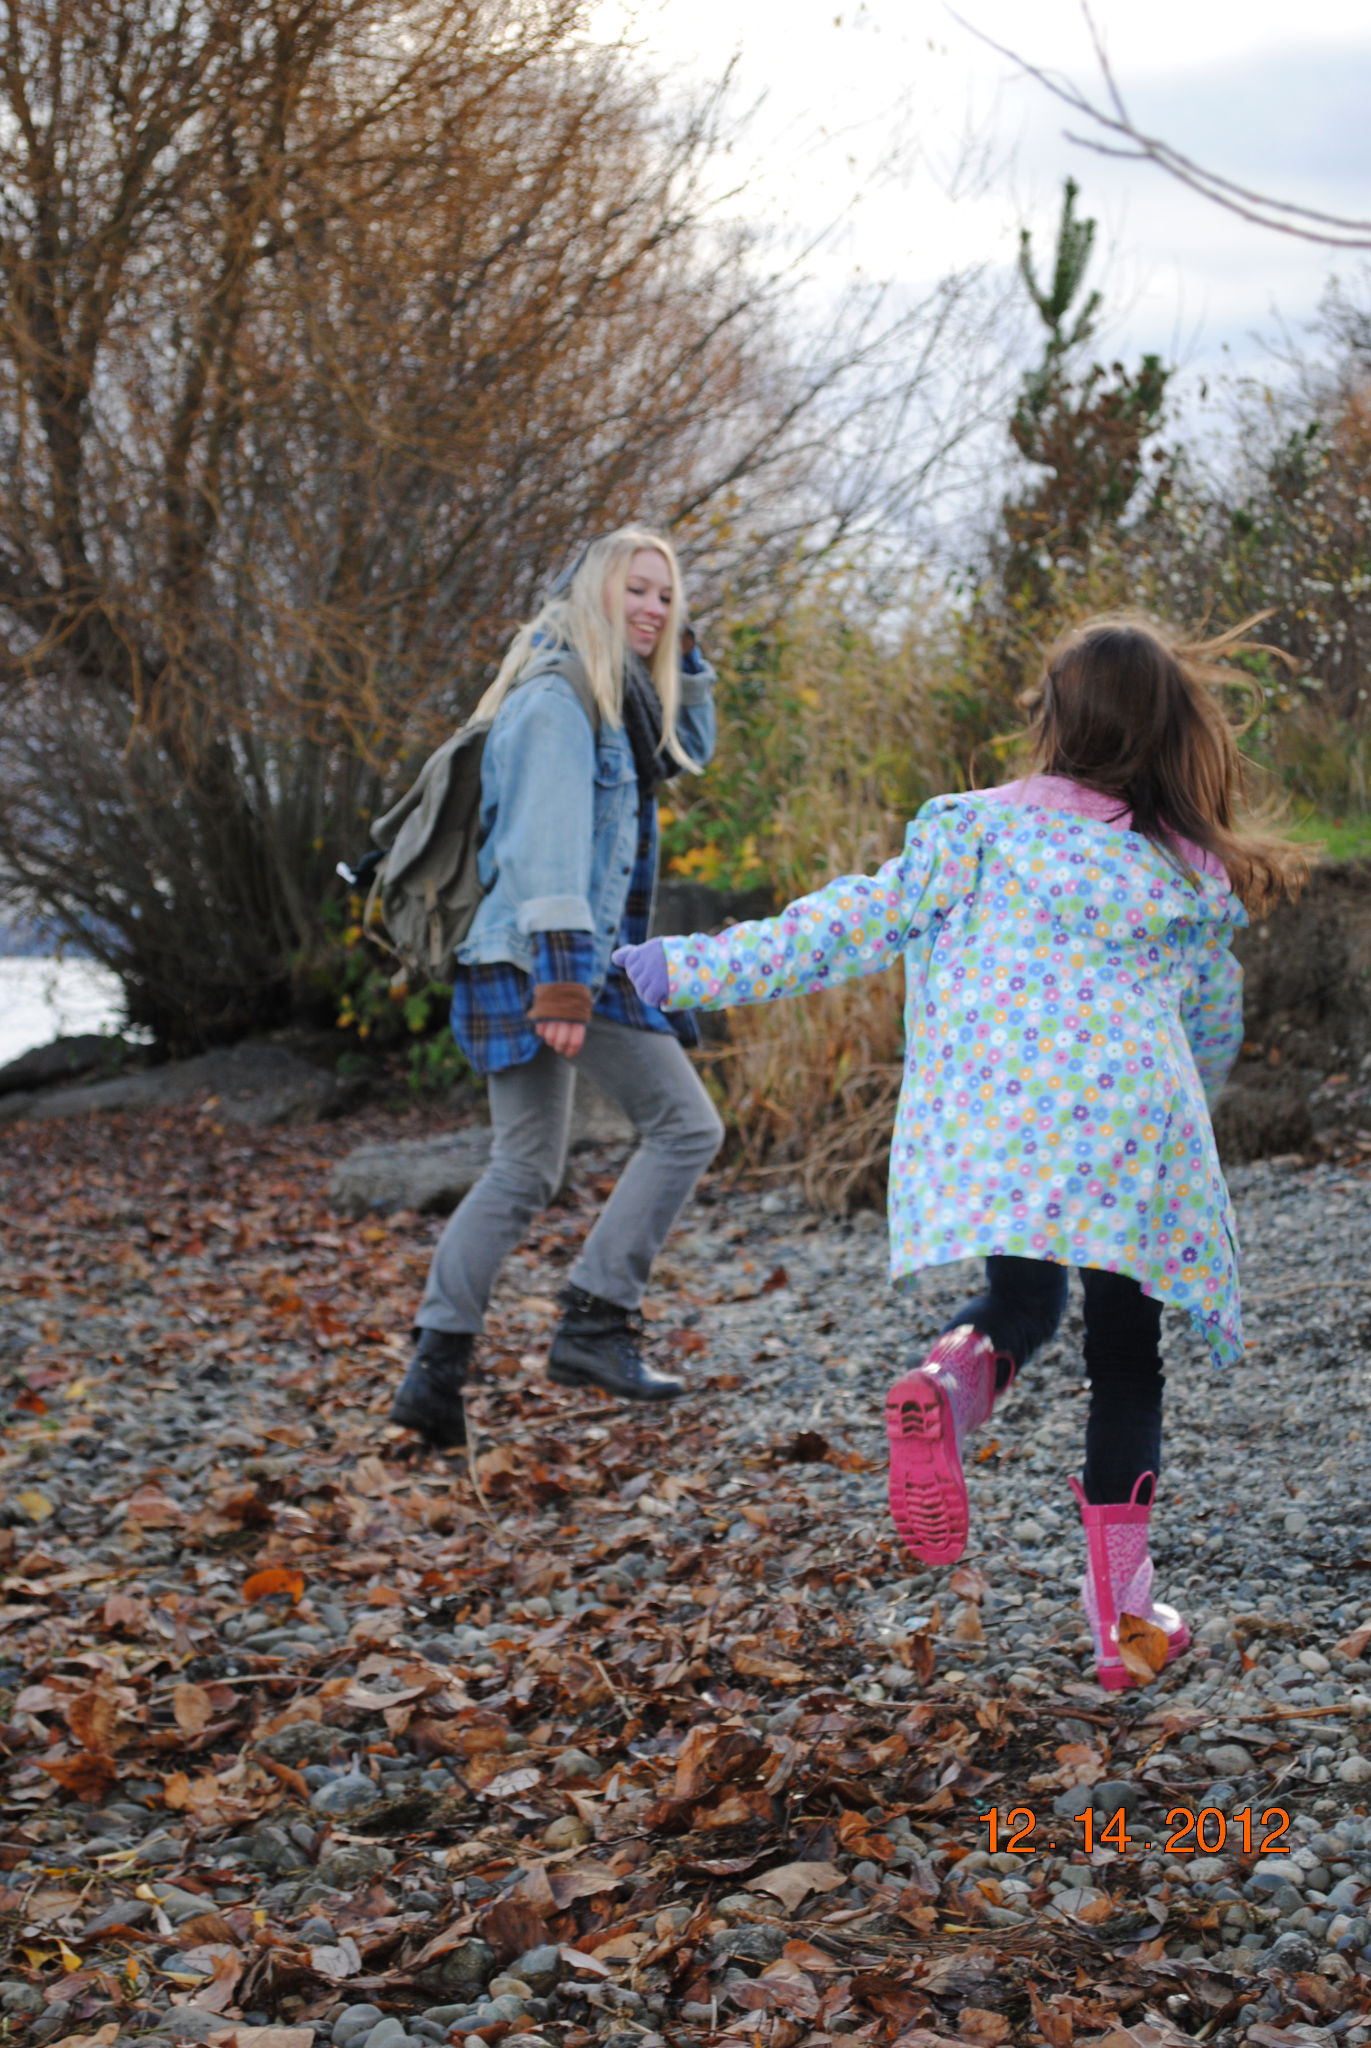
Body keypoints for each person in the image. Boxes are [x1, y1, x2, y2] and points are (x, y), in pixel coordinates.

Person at [614, 617, 1309, 1690]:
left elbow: (835, 928)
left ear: (1052, 718)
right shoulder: (1183, 869)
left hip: (1005, 1135)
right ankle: (1124, 1635)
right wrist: (1202, 1096)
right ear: (1169, 730)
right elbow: (1210, 1006)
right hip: (1130, 1141)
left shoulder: (969, 835)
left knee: (1022, 1304)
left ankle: (947, 1382)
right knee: (1126, 1361)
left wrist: (680, 966)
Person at [391, 528, 724, 1450]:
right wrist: (564, 987)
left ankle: (433, 1377)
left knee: (522, 1169)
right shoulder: (556, 700)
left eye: (668, 595)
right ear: (593, 596)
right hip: (550, 955)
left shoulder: (617, 699)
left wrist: (685, 653)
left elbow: (688, 745)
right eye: (637, 592)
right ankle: (592, 1323)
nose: (655, 609)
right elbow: (542, 850)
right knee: (685, 1127)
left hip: (568, 953)